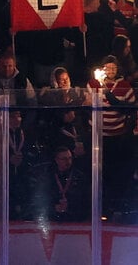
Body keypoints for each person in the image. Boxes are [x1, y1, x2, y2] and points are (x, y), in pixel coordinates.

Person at [86, 55, 135, 215]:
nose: (111, 70)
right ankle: (100, 206)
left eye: (114, 68)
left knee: (115, 171)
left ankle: (114, 206)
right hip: (98, 136)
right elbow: (87, 103)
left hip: (116, 137)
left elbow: (128, 108)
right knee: (100, 171)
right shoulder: (93, 84)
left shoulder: (124, 86)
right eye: (108, 67)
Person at [29, 146, 89, 222]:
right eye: (64, 159)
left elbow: (84, 200)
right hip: (52, 219)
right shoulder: (47, 176)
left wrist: (69, 206)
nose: (68, 161)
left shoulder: (79, 176)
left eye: (70, 158)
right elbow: (41, 198)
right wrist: (53, 207)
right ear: (56, 160)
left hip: (74, 219)